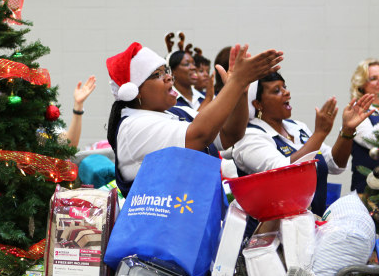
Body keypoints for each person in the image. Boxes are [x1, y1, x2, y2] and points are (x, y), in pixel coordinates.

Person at [106, 42, 283, 196]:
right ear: (135, 91)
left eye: (165, 71)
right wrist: (236, 82)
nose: (168, 77)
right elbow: (200, 135)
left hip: (193, 223)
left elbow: (230, 134)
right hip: (163, 230)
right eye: (157, 74)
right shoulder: (132, 126)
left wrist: (241, 90)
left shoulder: (178, 113)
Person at [232, 72, 374, 216]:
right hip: (269, 233)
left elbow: (335, 164)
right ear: (258, 104)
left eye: (285, 87)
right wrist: (319, 134)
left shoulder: (297, 127)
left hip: (308, 227)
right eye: (277, 90)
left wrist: (347, 130)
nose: (287, 92)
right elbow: (282, 172)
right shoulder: (250, 136)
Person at [348, 58, 379, 192]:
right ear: (361, 84)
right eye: (373, 78)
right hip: (366, 193)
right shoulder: (357, 110)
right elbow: (373, 141)